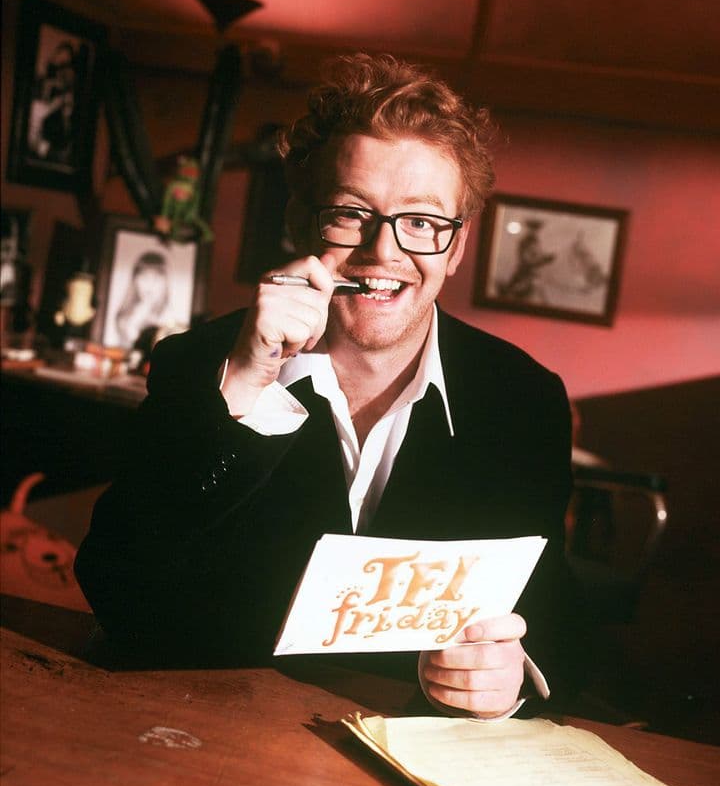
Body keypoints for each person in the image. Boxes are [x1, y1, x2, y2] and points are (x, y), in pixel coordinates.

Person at [76, 53, 583, 719]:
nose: (384, 252)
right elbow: (114, 584)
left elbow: (552, 618)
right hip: (210, 731)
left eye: (422, 222)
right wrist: (245, 388)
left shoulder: (523, 399)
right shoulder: (201, 363)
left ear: (456, 248)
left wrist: (509, 679)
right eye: (351, 213)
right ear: (299, 221)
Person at [113, 251, 171, 349]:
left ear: (165, 283)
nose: (149, 284)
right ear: (135, 280)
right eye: (144, 277)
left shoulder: (169, 317)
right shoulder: (124, 316)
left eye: (156, 278)